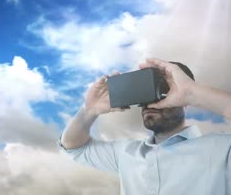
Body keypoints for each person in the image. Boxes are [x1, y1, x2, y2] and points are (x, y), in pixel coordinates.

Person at [58, 58, 231, 195]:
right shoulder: (126, 153)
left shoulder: (222, 150)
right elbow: (74, 147)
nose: (150, 102)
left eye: (161, 92)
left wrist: (191, 92)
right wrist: (89, 110)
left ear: (184, 102)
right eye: (145, 92)